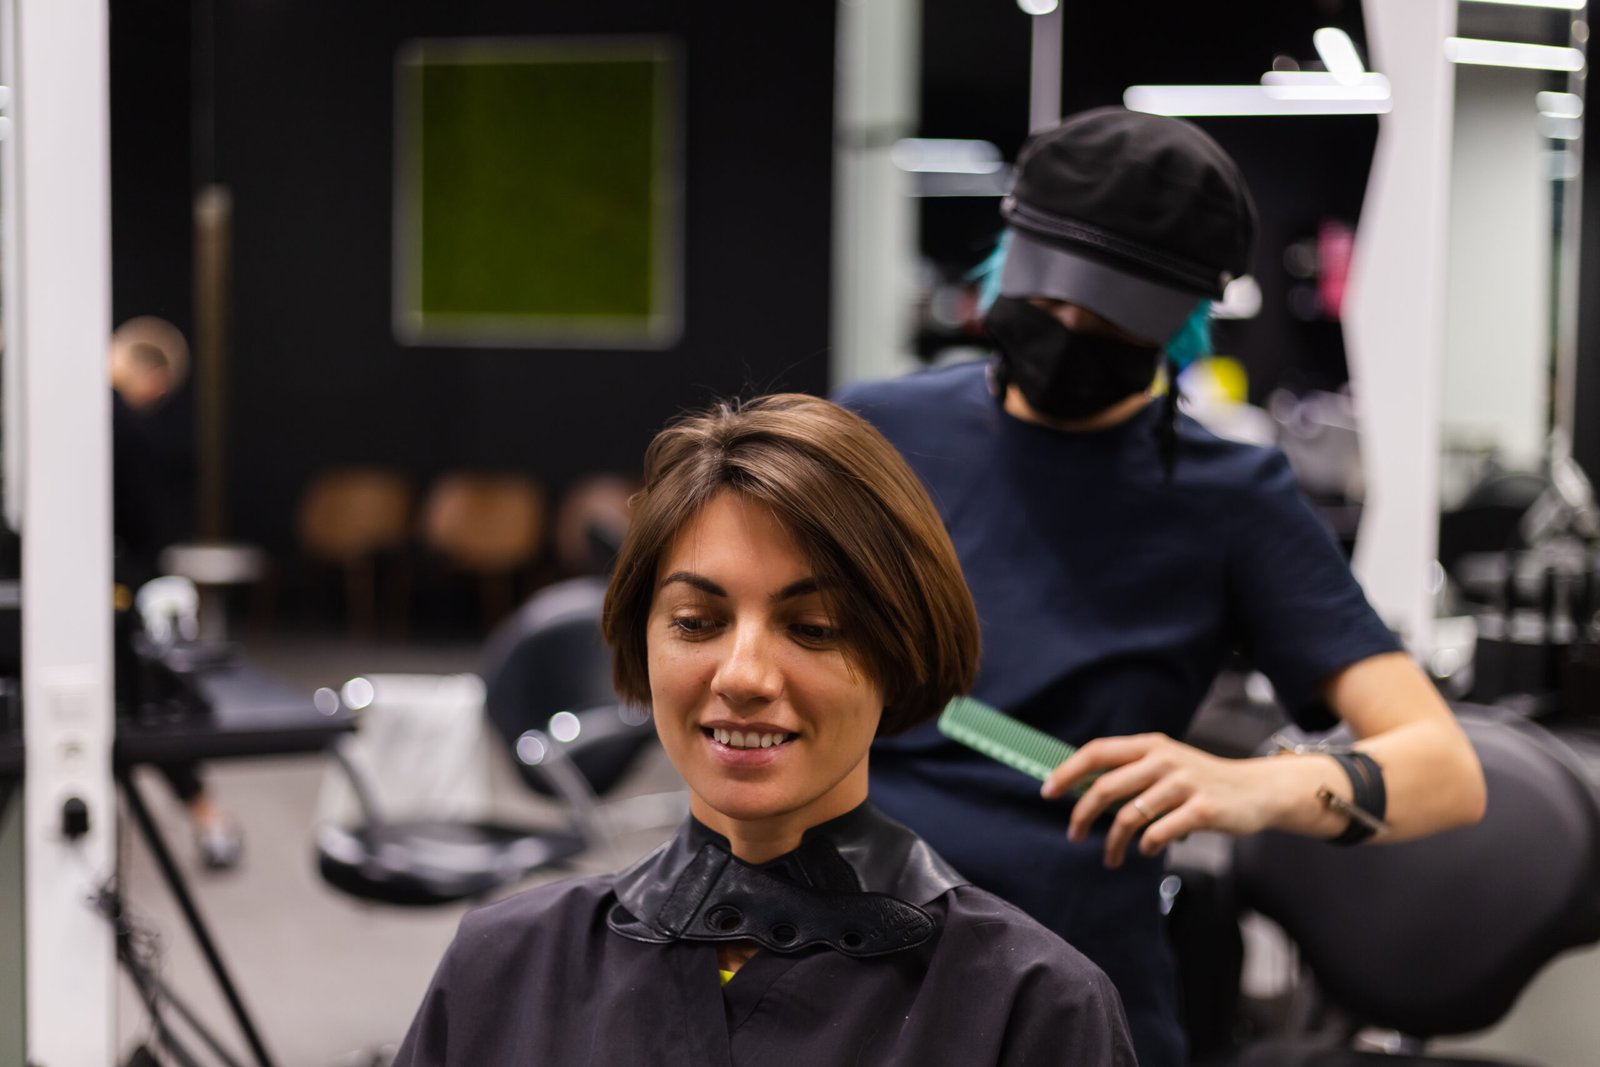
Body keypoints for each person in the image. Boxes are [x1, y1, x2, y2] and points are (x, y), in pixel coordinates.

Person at [837, 107, 1488, 1066]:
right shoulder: (877, 432)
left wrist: (1253, 787)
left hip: (1065, 976)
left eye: (1103, 319)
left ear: (1180, 318)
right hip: (843, 936)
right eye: (1047, 298)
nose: (1064, 332)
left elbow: (1445, 771)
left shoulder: (1231, 499)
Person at [391, 394, 1136, 1066]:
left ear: (900, 655)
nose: (743, 674)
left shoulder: (1030, 1009)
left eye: (812, 627)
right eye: (696, 621)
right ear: (640, 639)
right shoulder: (504, 967)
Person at [111, 316, 243, 871]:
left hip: (109, 591)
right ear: (156, 379)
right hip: (114, 593)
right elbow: (142, 526)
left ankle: (209, 821)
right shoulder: (125, 427)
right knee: (151, 705)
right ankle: (210, 821)